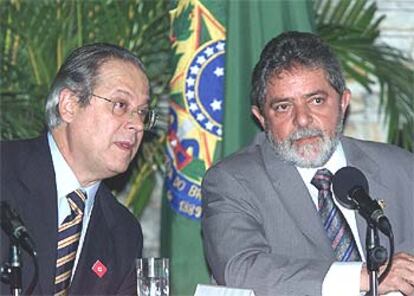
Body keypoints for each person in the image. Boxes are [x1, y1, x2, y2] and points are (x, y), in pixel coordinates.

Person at [201, 31, 414, 296]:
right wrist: (365, 277)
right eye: (282, 107)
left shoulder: (403, 170)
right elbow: (240, 270)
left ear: (343, 102)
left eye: (316, 101)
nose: (302, 120)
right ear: (261, 118)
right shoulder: (233, 182)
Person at [1, 43, 157, 295]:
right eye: (120, 105)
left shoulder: (123, 232)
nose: (137, 125)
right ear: (70, 105)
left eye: (142, 113)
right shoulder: (5, 172)